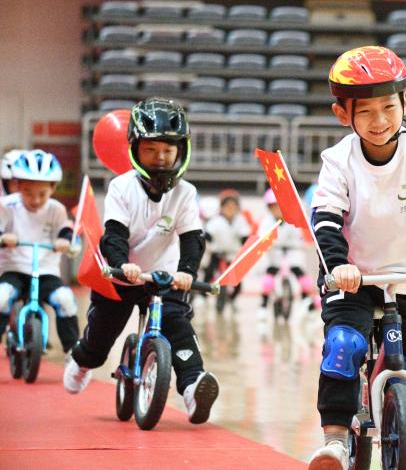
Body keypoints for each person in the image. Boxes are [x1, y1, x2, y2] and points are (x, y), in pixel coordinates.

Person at [307, 46, 406, 469]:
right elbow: (326, 219)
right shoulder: (338, 160)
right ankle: (336, 440)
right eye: (365, 111)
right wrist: (338, 265)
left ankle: (402, 416)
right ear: (342, 114)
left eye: (388, 107)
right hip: (353, 278)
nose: (379, 120)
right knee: (344, 345)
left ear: (405, 103)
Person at [63, 98, 219, 424]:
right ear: (135, 149)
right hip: (123, 275)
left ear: (181, 151)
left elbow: (193, 239)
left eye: (167, 151)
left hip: (165, 277)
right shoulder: (121, 187)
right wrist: (122, 264)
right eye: (150, 150)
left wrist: (187, 272)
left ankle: (193, 389)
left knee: (178, 326)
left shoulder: (185, 193)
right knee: (103, 333)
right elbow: (113, 235)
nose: (160, 158)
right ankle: (81, 361)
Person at [0, 150, 79, 353]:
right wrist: (3, 238)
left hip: (46, 271)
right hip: (14, 269)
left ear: (53, 188)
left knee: (65, 300)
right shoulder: (7, 206)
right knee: (2, 297)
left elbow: (68, 233)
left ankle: (73, 354)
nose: (35, 200)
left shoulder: (56, 209)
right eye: (28, 192)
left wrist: (65, 241)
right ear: (17, 186)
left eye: (42, 194)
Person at [259, 189, 314, 317]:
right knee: (268, 280)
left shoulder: (292, 220)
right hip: (274, 254)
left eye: (280, 206)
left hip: (291, 252)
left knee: (302, 277)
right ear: (269, 208)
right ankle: (263, 306)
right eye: (274, 207)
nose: (277, 210)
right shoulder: (266, 221)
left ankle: (307, 302)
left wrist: (302, 244)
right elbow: (261, 237)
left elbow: (299, 236)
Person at [203, 189, 251, 311]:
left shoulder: (240, 221)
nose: (230, 210)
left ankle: (232, 299)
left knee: (237, 281)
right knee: (209, 273)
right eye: (227, 207)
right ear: (222, 208)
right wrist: (206, 238)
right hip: (217, 254)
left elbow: (245, 235)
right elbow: (208, 234)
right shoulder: (216, 220)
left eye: (233, 207)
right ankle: (203, 297)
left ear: (237, 208)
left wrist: (244, 240)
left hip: (233, 255)